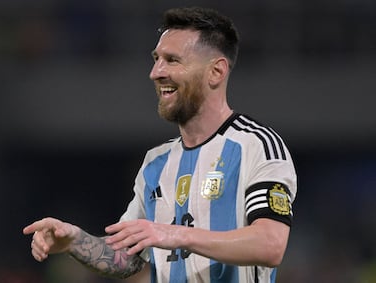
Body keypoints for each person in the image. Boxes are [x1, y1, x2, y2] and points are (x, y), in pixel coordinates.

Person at [23, 6, 297, 283]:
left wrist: (175, 235)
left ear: (216, 72)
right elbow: (127, 260)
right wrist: (74, 240)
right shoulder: (156, 163)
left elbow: (270, 244)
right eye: (156, 59)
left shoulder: (256, 145)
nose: (156, 72)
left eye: (172, 60)